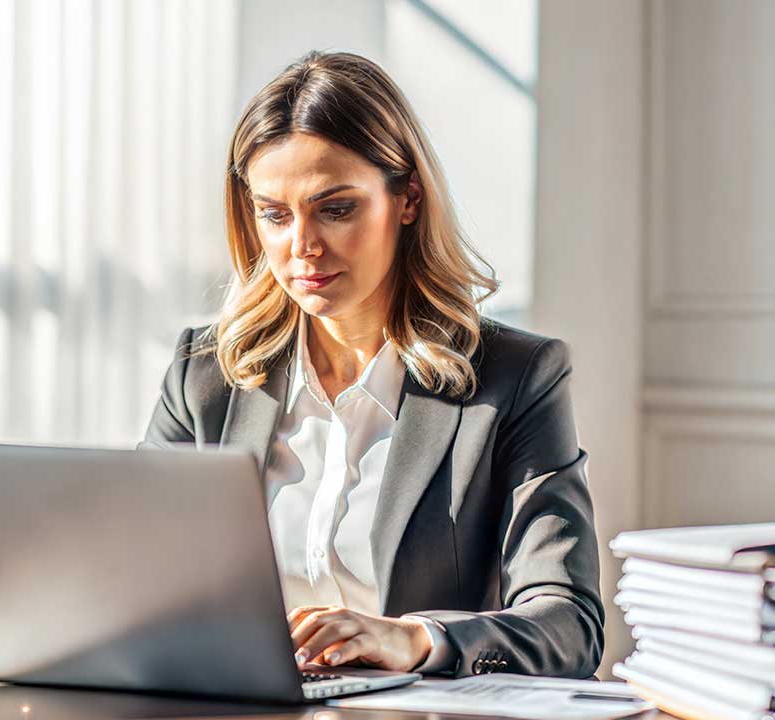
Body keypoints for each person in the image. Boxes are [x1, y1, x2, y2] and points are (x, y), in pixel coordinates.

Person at [142, 50, 603, 679]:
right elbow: (134, 582)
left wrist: (415, 639)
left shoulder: (514, 378)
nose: (302, 246)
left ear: (407, 199)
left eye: (336, 209)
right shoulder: (205, 376)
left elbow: (570, 625)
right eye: (275, 215)